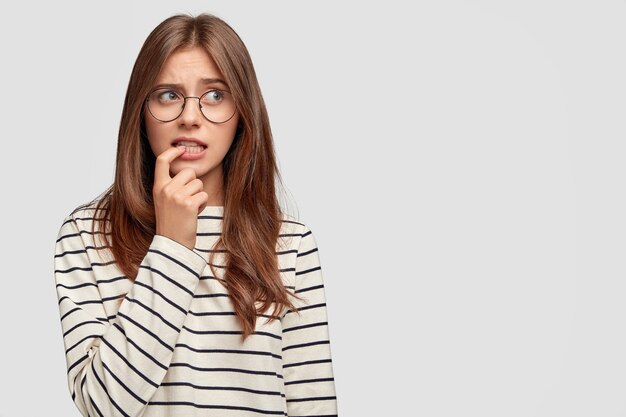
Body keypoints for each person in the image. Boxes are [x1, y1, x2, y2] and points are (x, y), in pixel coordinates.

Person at [53, 13, 338, 417]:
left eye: (215, 95)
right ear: (142, 110)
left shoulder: (288, 244)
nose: (190, 116)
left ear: (242, 112)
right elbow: (103, 407)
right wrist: (170, 247)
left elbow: (314, 406)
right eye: (168, 94)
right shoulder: (87, 235)